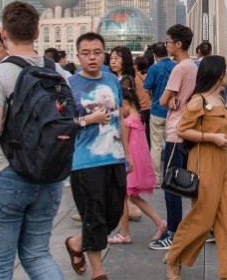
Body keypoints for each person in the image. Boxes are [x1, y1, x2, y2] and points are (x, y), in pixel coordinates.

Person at [0, 1, 65, 280]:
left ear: (3, 34)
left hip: (5, 175)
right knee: (38, 255)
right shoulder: (58, 74)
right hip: (49, 176)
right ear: (37, 32)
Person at [165, 55, 227, 280]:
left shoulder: (220, 98)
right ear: (218, 74)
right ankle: (174, 257)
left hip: (224, 160)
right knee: (203, 217)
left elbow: (225, 132)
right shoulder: (198, 100)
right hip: (204, 158)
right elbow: (182, 130)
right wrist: (211, 137)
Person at [64, 32, 126, 280]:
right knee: (93, 216)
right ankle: (99, 273)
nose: (92, 57)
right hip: (84, 161)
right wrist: (90, 119)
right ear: (77, 55)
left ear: (104, 53)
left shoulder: (112, 80)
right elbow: (63, 123)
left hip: (115, 157)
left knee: (112, 216)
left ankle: (77, 242)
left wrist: (128, 154)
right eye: (86, 53)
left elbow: (120, 116)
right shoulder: (70, 85)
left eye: (97, 52)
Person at [151, 24, 197, 252]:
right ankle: (204, 225)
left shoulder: (179, 69)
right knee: (191, 182)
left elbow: (161, 100)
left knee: (171, 185)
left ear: (178, 44)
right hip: (187, 129)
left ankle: (173, 233)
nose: (166, 44)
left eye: (169, 40)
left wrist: (168, 99)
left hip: (176, 132)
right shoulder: (193, 67)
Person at [110, 89, 166, 245]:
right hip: (139, 162)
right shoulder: (138, 118)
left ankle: (124, 234)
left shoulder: (128, 122)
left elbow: (124, 144)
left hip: (130, 163)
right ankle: (160, 222)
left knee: (124, 197)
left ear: (125, 104)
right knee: (132, 197)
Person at [143, 42, 174, 184]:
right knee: (171, 144)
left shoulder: (153, 69)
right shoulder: (176, 66)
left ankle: (155, 178)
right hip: (173, 111)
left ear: (154, 55)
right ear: (167, 51)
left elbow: (146, 87)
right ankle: (171, 175)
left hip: (156, 109)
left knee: (155, 146)